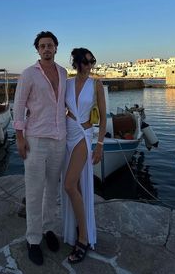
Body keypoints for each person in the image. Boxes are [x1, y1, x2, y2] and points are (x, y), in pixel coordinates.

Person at [13, 31, 67, 266]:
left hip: (59, 138)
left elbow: (66, 103)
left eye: (50, 45)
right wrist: (19, 137)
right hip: (35, 138)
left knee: (52, 189)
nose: (47, 49)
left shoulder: (64, 73)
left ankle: (48, 230)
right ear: (37, 50)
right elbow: (18, 105)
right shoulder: (28, 74)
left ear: (56, 48)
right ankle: (33, 239)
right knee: (34, 191)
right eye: (42, 46)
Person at [62, 48, 106, 263]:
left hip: (84, 135)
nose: (89, 66)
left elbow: (104, 119)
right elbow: (58, 108)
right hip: (67, 134)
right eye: (85, 62)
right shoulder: (67, 84)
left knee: (69, 185)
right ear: (77, 63)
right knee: (76, 186)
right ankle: (80, 226)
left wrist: (99, 145)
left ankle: (84, 237)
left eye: (91, 62)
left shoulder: (96, 84)